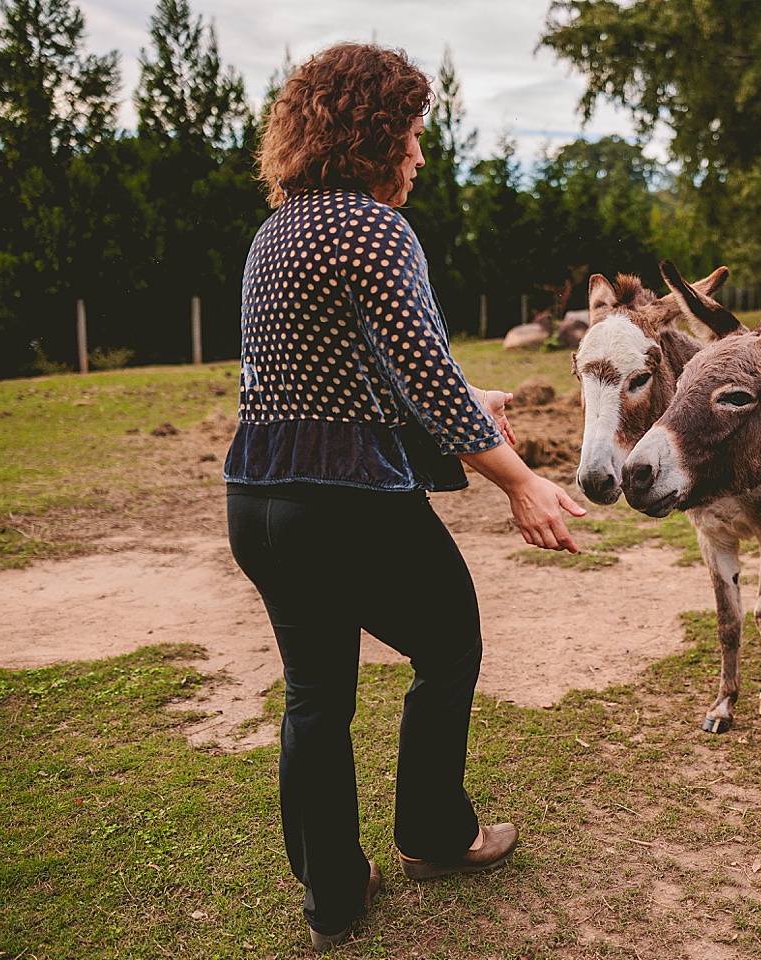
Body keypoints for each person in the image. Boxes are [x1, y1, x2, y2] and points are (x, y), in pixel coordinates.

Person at [222, 43, 586, 951]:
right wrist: (522, 479)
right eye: (414, 135)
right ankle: (433, 834)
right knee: (449, 644)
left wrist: (472, 406)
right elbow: (422, 375)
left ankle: (333, 893)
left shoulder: (280, 229)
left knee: (315, 699)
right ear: (373, 135)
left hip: (259, 498)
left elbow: (353, 380)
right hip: (346, 505)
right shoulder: (374, 228)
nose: (422, 155)